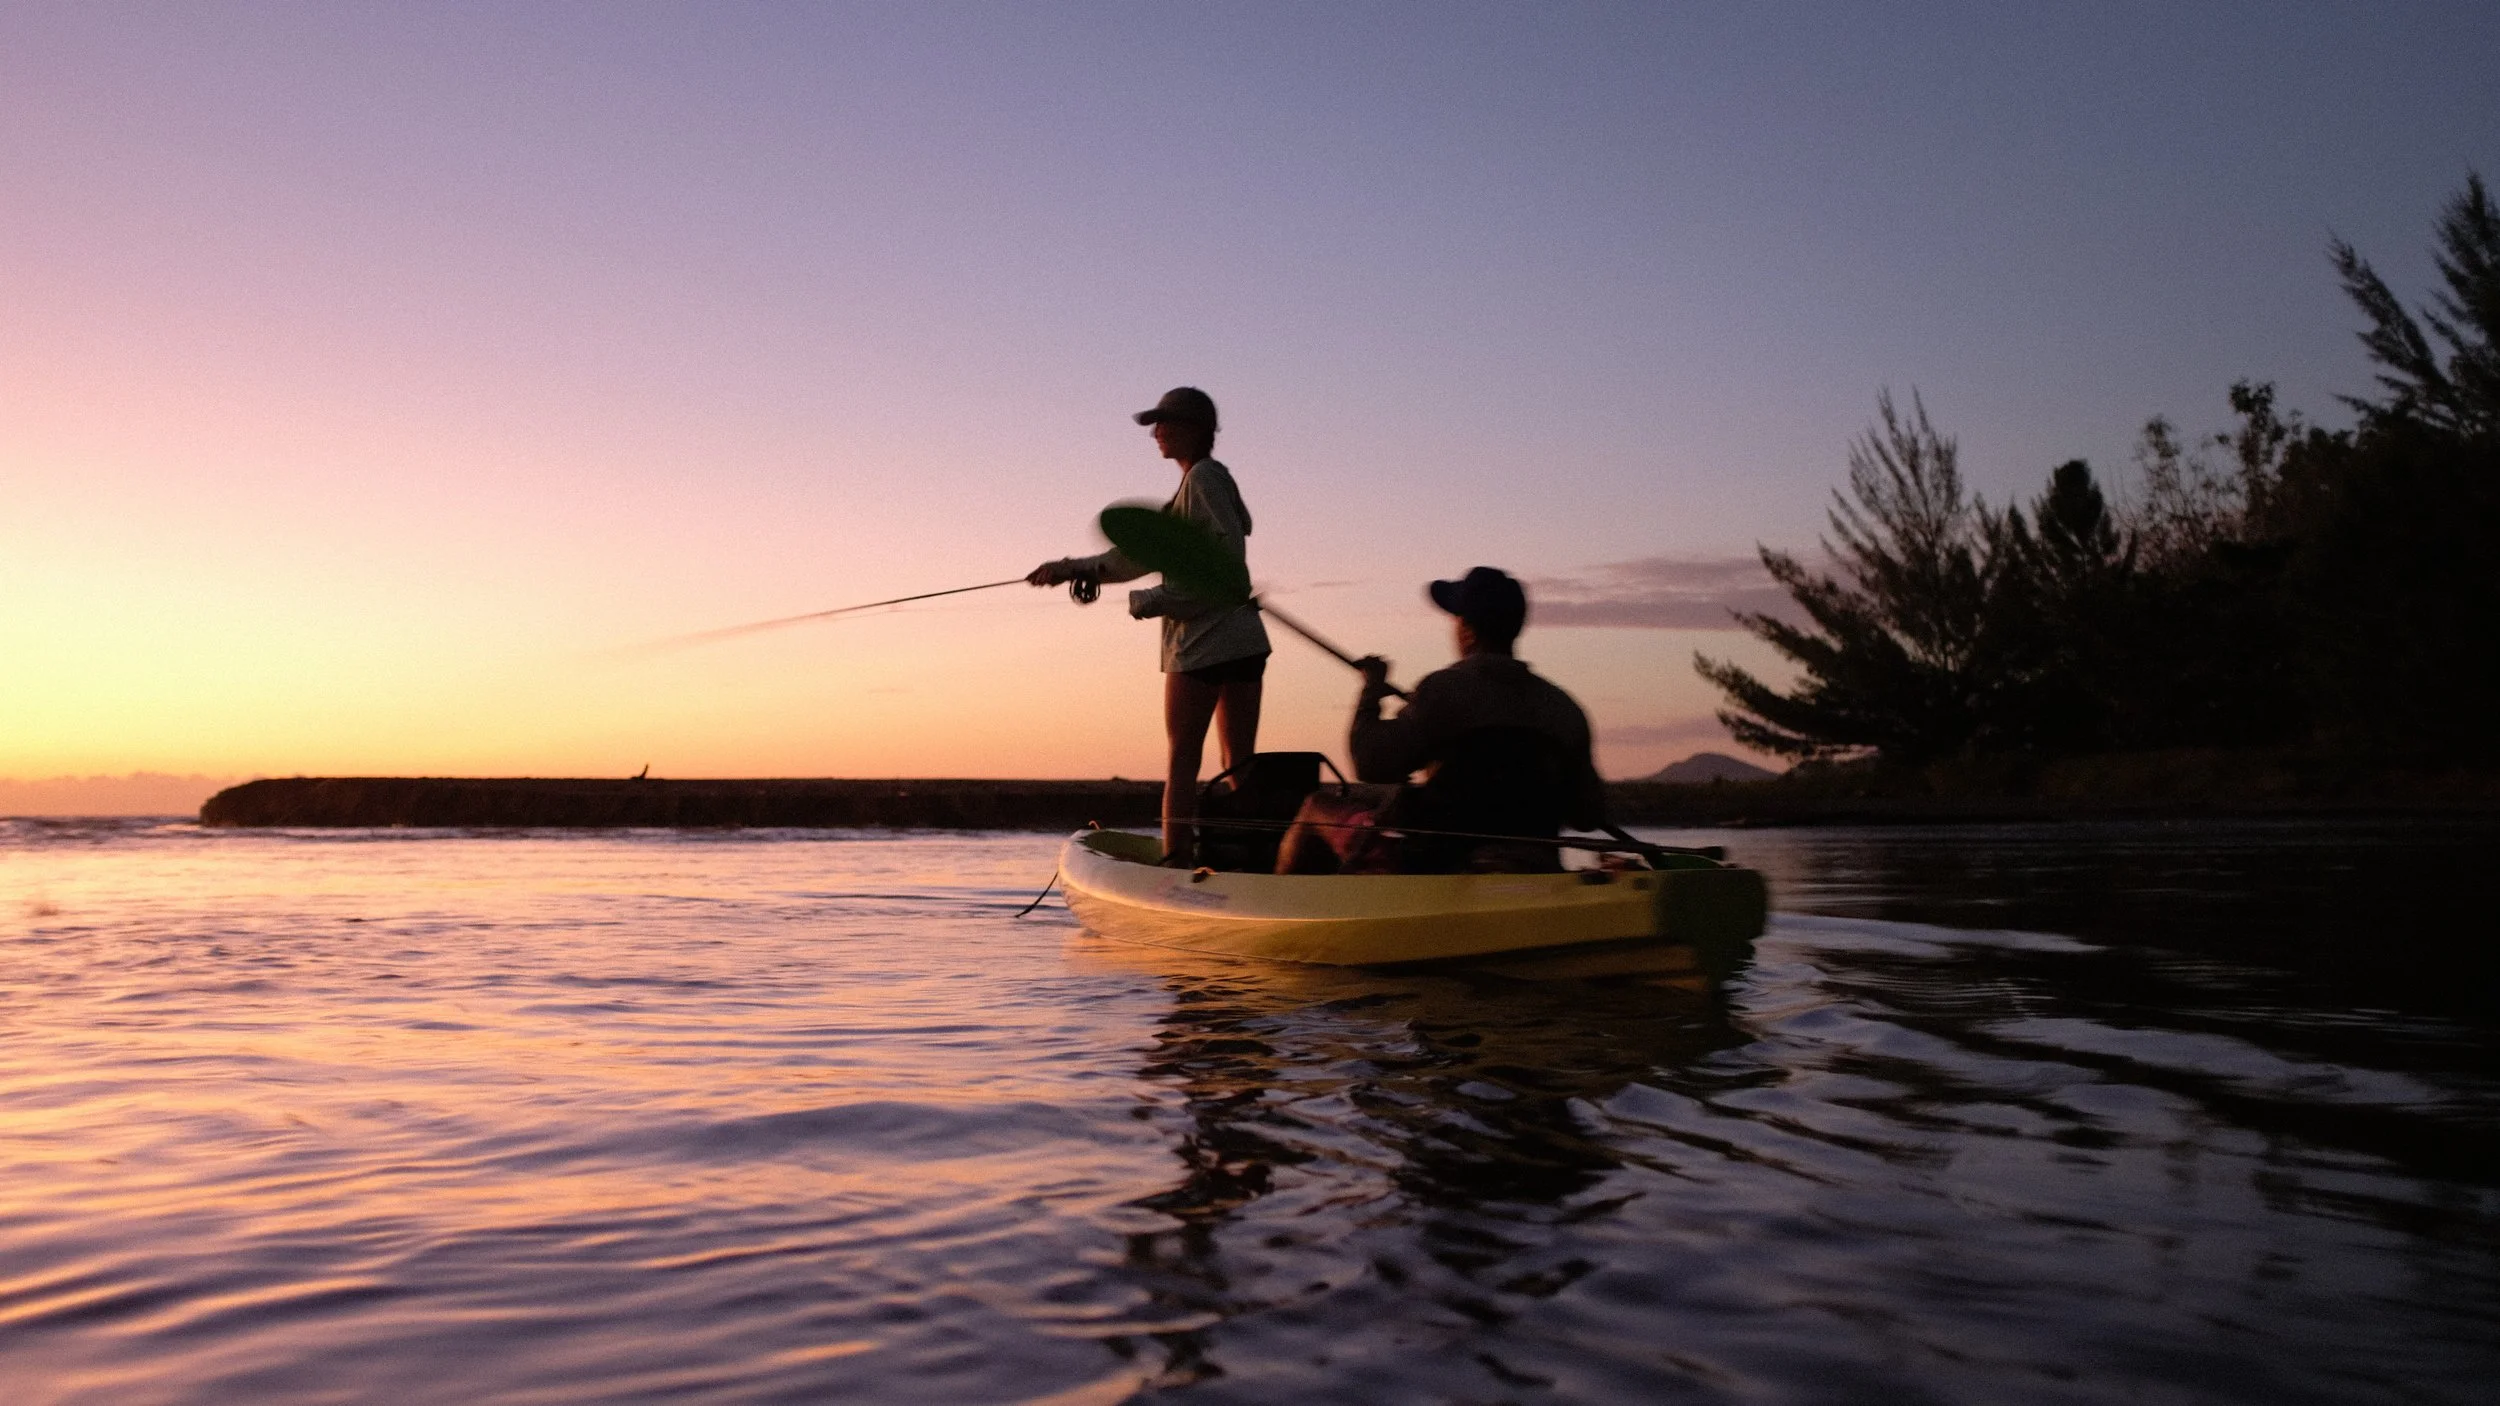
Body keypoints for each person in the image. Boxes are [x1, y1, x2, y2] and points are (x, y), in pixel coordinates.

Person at [1029, 387, 1272, 863]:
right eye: (1155, 424)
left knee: (1183, 759)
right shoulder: (1200, 486)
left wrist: (1149, 601)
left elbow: (1226, 572)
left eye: (1167, 423)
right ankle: (1257, 857)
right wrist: (1069, 568)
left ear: (1199, 430)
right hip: (1243, 639)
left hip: (1203, 643)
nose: (1157, 432)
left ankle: (1178, 861)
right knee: (1239, 764)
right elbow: (1134, 556)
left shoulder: (1203, 480)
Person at [1276, 566, 1605, 874]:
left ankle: (1278, 913)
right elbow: (1588, 815)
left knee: (1314, 807)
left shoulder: (1443, 690)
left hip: (1435, 865)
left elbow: (1370, 762)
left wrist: (1371, 693)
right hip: (1536, 863)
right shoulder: (1565, 709)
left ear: (1467, 630)